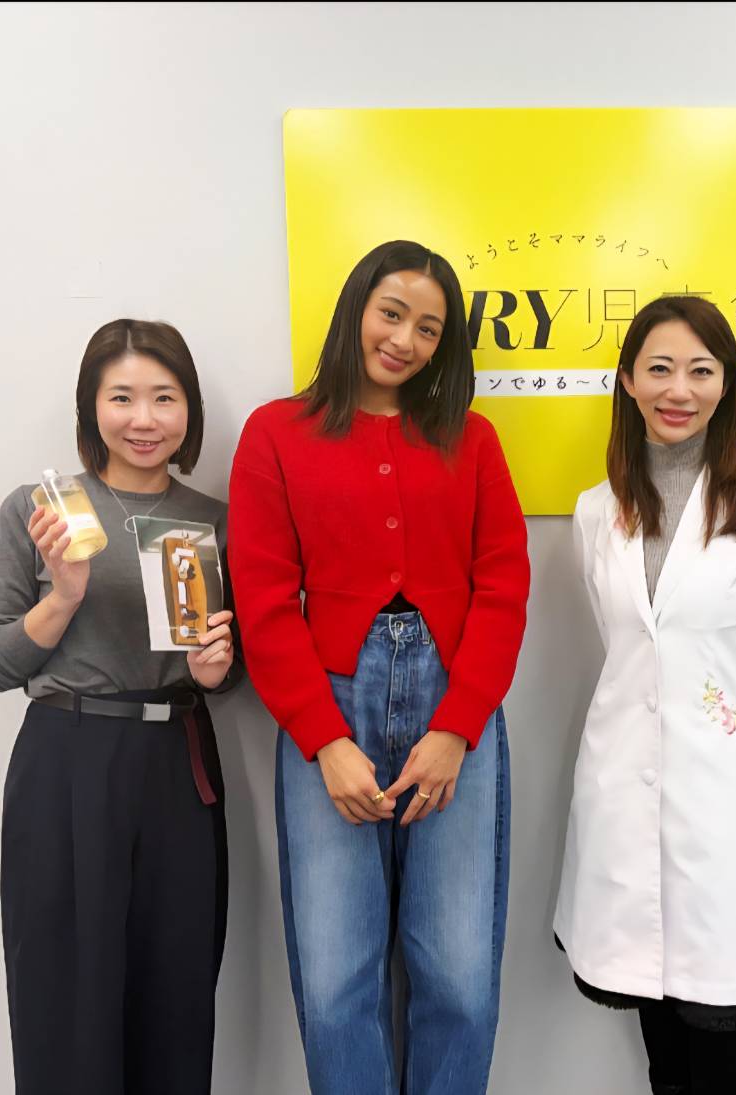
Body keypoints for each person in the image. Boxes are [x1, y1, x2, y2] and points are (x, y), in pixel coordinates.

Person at [227, 240, 530, 1095]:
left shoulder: (471, 439)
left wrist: (456, 729)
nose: (404, 340)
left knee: (459, 977)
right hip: (326, 706)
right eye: (391, 314)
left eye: (428, 328)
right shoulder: (275, 433)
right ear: (355, 308)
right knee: (334, 983)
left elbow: (504, 584)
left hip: (455, 707)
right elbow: (263, 598)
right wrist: (324, 741)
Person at [554, 296, 736, 1095]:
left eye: (700, 371)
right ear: (627, 380)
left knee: (718, 1017)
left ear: (726, 384)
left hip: (731, 797)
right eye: (659, 368)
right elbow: (626, 650)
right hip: (622, 785)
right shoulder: (595, 510)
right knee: (654, 1012)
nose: (678, 389)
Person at [0, 319, 236, 1094]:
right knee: (65, 992)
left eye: (164, 397)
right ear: (91, 406)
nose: (143, 418)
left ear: (189, 408)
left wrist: (216, 671)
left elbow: (236, 670)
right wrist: (63, 596)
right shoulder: (41, 509)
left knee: (175, 989)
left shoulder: (214, 520)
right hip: (66, 757)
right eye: (121, 397)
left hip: (178, 764)